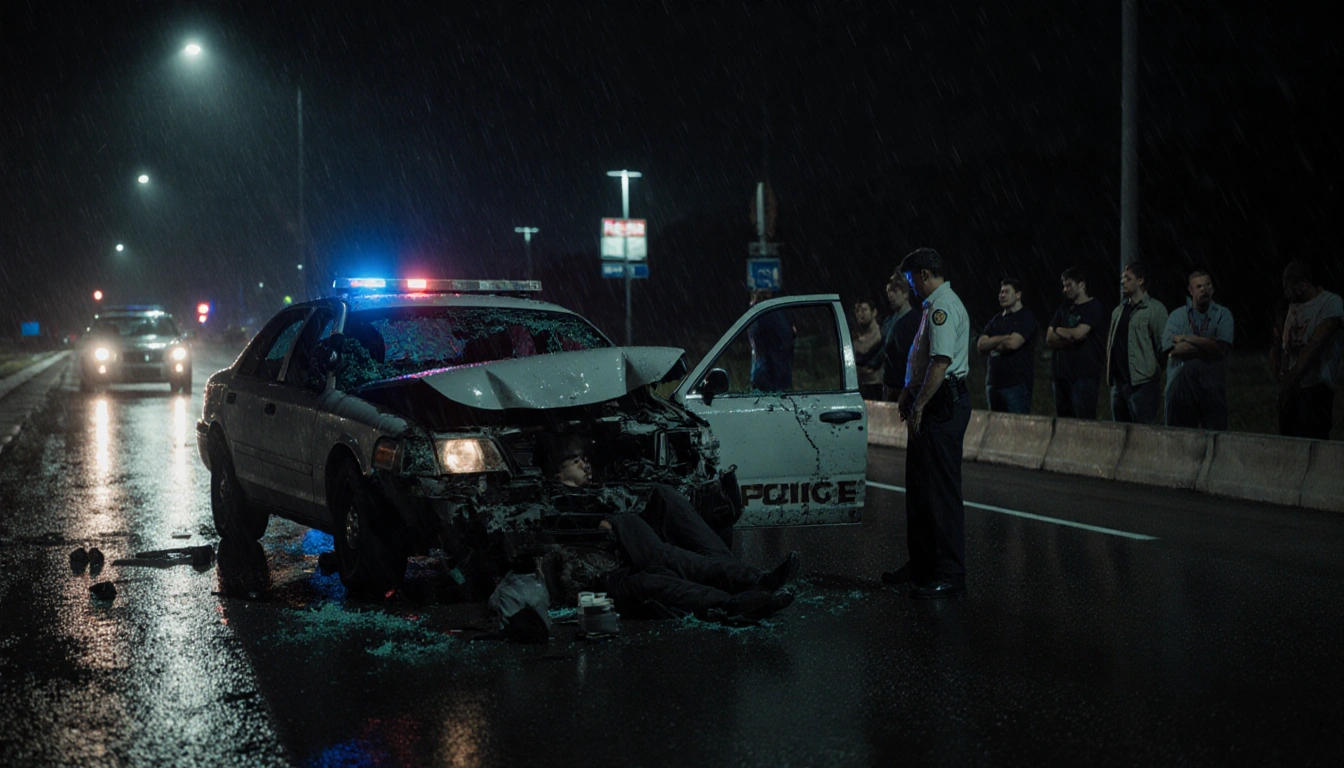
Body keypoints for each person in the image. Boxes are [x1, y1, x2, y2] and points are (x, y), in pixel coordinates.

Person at [537, 432, 799, 620]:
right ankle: (745, 598)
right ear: (557, 473)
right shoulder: (553, 503)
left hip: (635, 542)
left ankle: (756, 581)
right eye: (575, 460)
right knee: (664, 572)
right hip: (613, 567)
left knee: (664, 499)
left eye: (585, 459)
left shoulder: (598, 491)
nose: (585, 464)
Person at [880, 248, 971, 599]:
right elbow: (922, 359)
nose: (911, 287)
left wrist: (918, 405)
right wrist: (908, 391)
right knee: (919, 489)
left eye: (910, 280)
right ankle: (920, 564)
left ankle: (949, 573)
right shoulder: (931, 306)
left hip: (942, 405)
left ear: (922, 275)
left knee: (942, 493)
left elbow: (940, 362)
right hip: (929, 401)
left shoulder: (943, 307)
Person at [1271, 260, 1343, 439]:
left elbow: (1315, 345)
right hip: (1293, 389)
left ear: (1303, 285)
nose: (1287, 294)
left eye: (1289, 288)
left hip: (1316, 388)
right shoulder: (1293, 307)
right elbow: (1284, 346)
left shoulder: (1330, 303)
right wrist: (1282, 381)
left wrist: (1291, 379)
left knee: (1313, 442)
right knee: (1289, 443)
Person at [1161, 270, 1234, 430]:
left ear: (1213, 289)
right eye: (1199, 286)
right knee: (1179, 440)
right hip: (1180, 391)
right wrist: (1208, 345)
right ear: (1191, 290)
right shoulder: (1177, 316)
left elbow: (1221, 348)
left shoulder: (1223, 315)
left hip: (1213, 390)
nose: (1204, 290)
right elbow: (1172, 349)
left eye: (1207, 285)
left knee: (1216, 441)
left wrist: (1188, 338)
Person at [1104, 262, 1168, 424]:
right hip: (1119, 386)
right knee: (1120, 435)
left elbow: (1164, 347)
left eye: (1127, 278)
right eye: (1122, 278)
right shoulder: (1119, 311)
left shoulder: (1155, 309)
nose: (1122, 282)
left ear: (1140, 281)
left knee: (1144, 435)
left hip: (1142, 385)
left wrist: (1152, 372)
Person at [1047, 267, 1106, 420]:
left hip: (1083, 377)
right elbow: (1049, 338)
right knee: (1064, 425)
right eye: (1064, 286)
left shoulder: (1094, 307)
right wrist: (1068, 337)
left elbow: (1079, 334)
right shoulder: (1063, 309)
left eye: (1069, 285)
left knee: (1084, 424)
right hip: (1061, 377)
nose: (1065, 289)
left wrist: (1059, 330)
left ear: (1082, 285)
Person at [976, 277, 1038, 414]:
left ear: (1018, 295)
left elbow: (1012, 343)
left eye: (1006, 292)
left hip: (1016, 385)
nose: (1001, 295)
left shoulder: (1025, 317)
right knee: (996, 431)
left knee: (1017, 430)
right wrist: (1004, 338)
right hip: (994, 384)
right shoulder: (996, 320)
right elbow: (981, 345)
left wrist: (992, 342)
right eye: (1001, 292)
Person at [881, 277, 922, 402]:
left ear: (905, 294)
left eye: (894, 291)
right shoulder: (889, 322)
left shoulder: (916, 321)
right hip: (890, 386)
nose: (890, 296)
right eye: (888, 292)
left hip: (906, 386)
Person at [747, 289, 795, 391]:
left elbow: (758, 343)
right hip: (779, 375)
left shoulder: (762, 315)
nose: (751, 303)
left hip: (768, 377)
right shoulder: (779, 313)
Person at [852, 299, 885, 401]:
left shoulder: (881, 334)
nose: (860, 314)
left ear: (874, 312)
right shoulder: (858, 336)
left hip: (877, 386)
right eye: (857, 311)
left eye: (864, 310)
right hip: (862, 386)